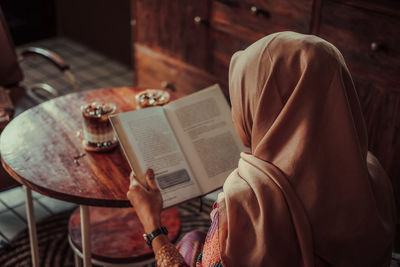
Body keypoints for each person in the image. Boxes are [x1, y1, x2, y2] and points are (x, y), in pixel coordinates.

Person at [127, 31, 396, 267]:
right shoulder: (372, 174)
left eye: (242, 97)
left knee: (191, 240)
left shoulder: (247, 202)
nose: (236, 110)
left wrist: (152, 226)